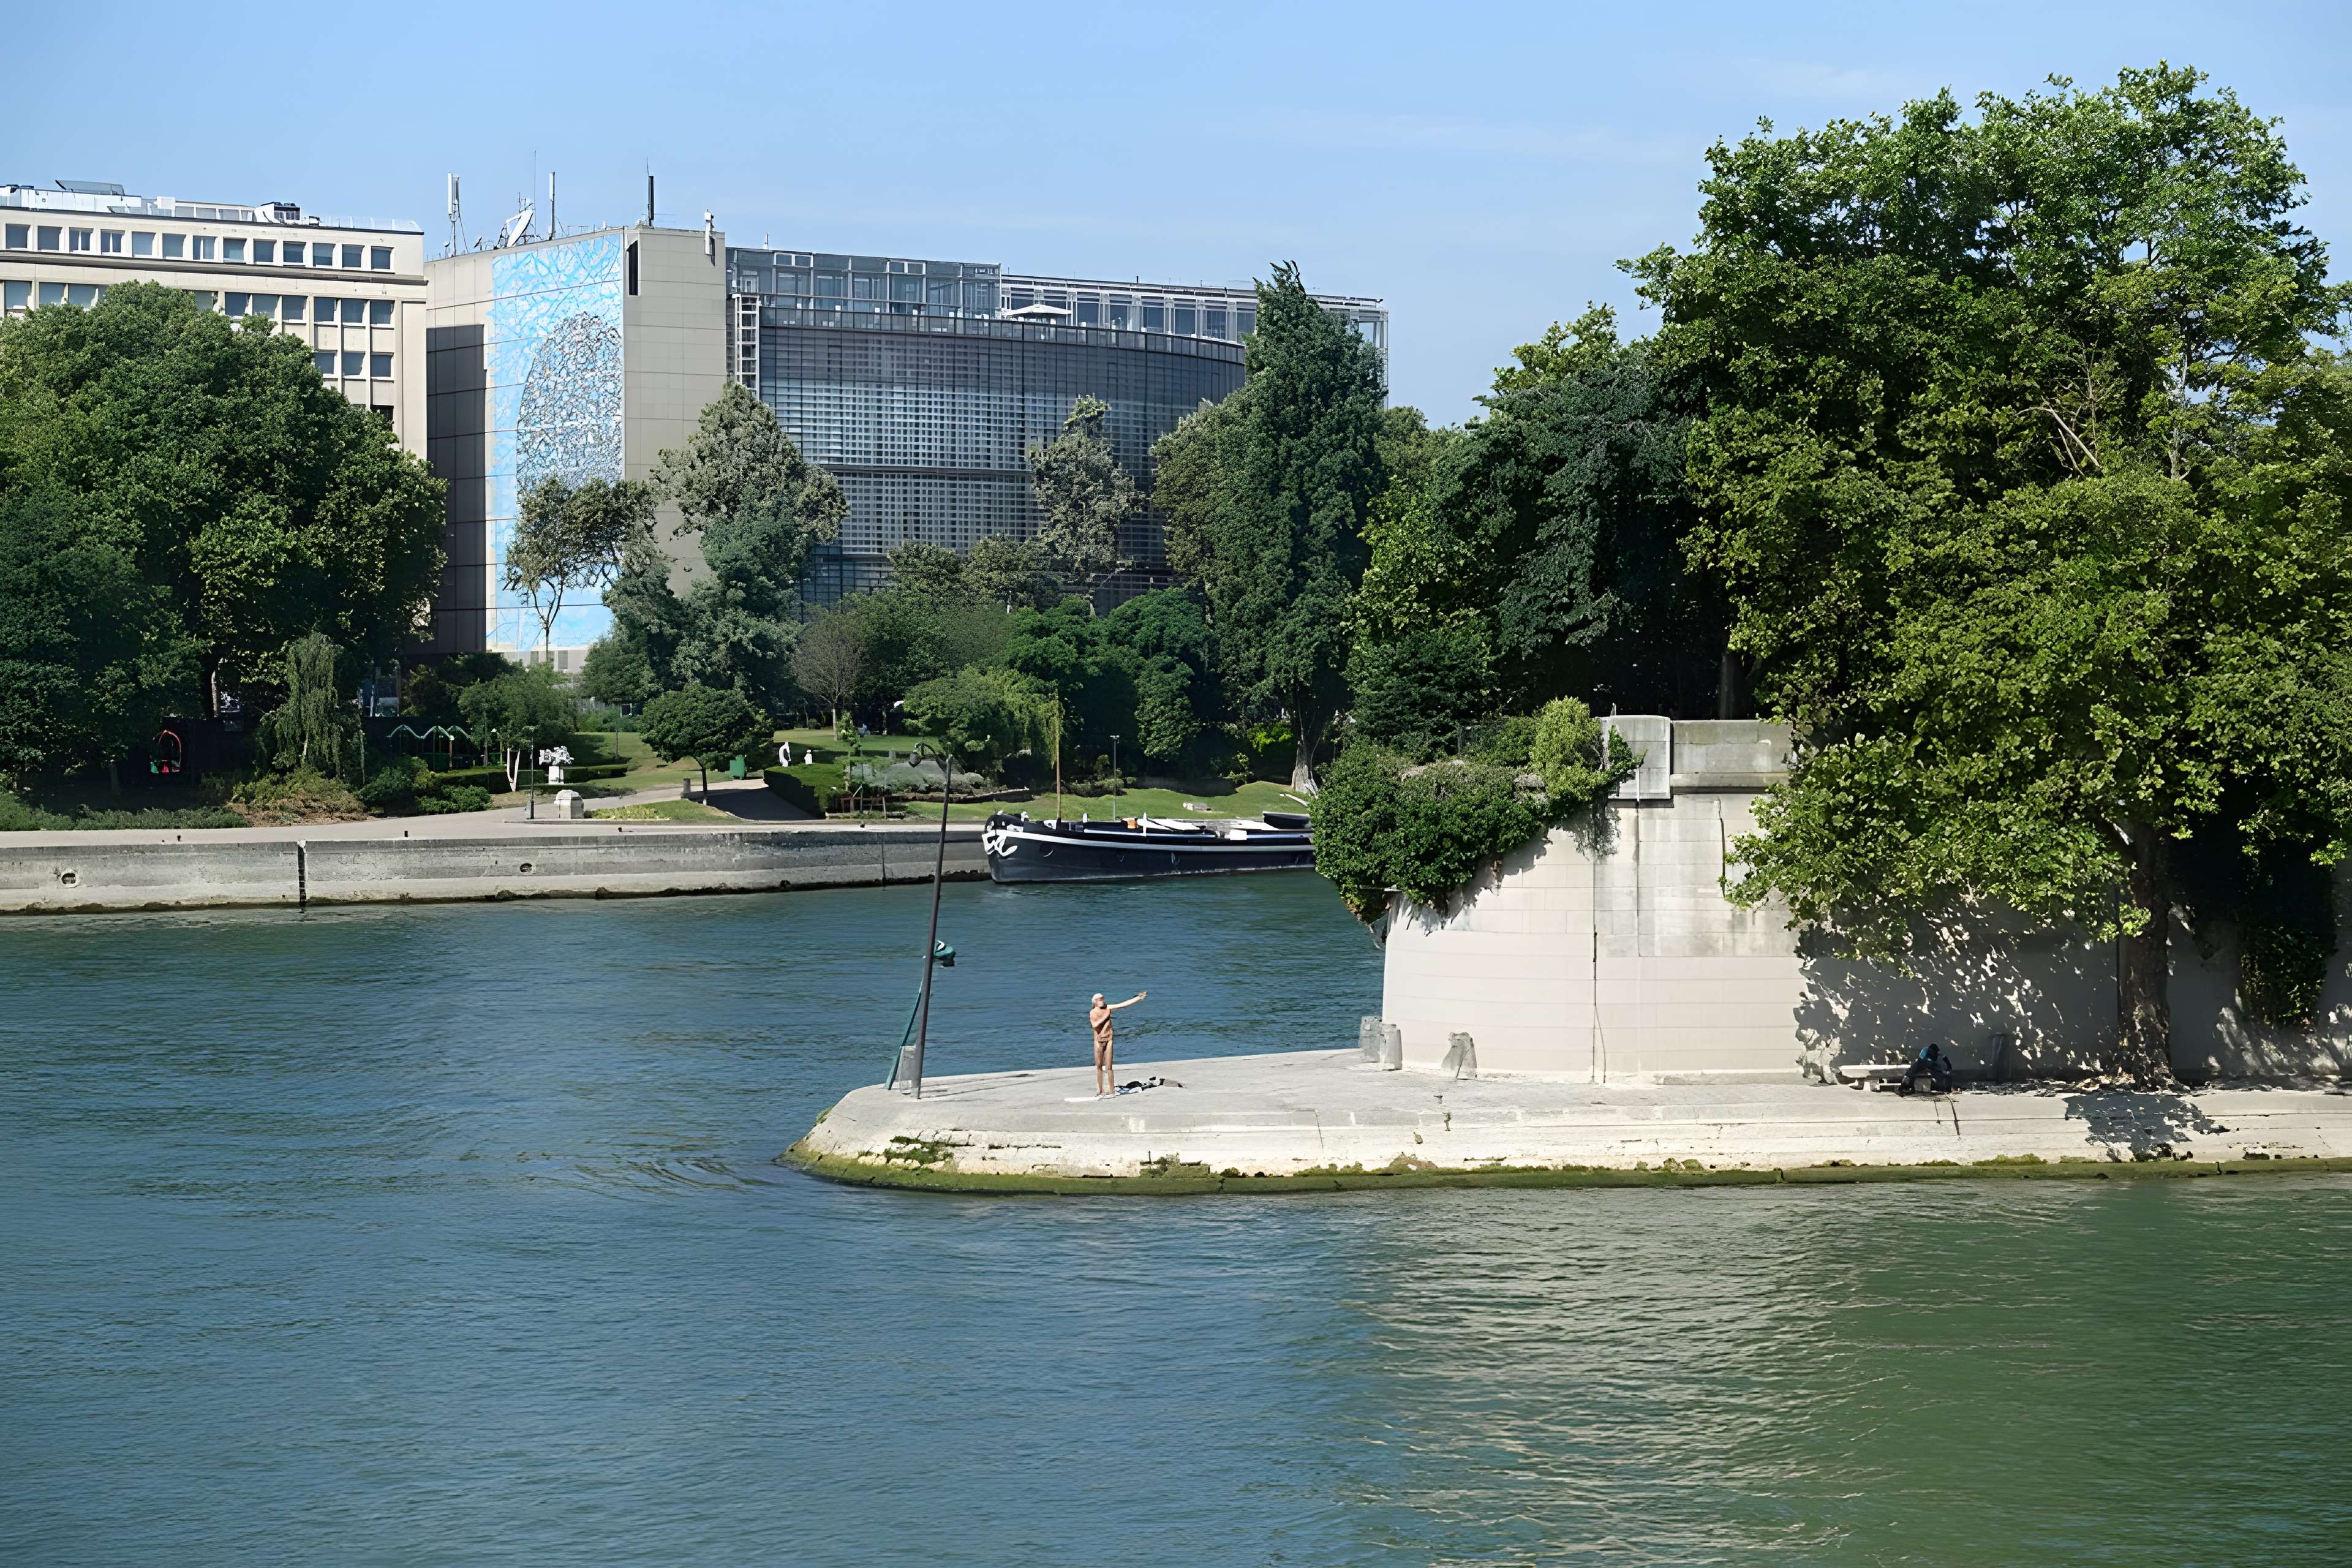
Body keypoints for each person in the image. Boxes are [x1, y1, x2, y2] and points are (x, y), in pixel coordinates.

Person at [1088, 990, 1147, 1097]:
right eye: (1101, 999)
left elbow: (1122, 1005)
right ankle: (1100, 1090)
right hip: (1098, 1042)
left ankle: (1112, 1091)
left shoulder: (1107, 1008)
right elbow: (1095, 1025)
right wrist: (1106, 1015)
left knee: (1109, 1067)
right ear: (1095, 1002)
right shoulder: (1093, 1012)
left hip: (1109, 1040)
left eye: (1103, 999)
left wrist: (1138, 998)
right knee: (1099, 1066)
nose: (1103, 1001)